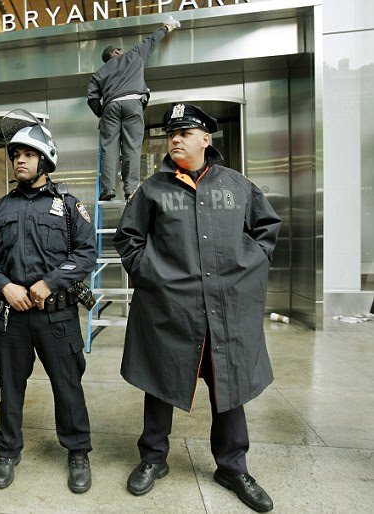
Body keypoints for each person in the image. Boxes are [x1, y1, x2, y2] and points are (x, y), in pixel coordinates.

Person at [113, 103, 281, 512]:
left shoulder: (238, 186)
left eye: (185, 133)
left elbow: (266, 230)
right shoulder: (153, 189)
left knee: (230, 389)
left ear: (207, 139)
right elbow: (128, 240)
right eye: (171, 134)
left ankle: (232, 466)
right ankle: (153, 459)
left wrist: (247, 271)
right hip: (171, 312)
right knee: (159, 384)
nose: (175, 139)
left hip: (226, 313)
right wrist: (154, 275)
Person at [0, 110, 96, 493]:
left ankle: (77, 451)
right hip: (13, 318)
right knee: (11, 389)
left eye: (27, 154)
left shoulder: (68, 205)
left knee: (67, 386)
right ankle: (8, 450)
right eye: (15, 155)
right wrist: (4, 286)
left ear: (45, 158)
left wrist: (51, 282)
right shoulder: (1, 209)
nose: (19, 161)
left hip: (57, 317)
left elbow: (87, 252)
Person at [87, 16, 180, 201]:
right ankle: (131, 190)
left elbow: (92, 98)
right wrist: (167, 27)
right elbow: (151, 40)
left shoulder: (99, 73)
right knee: (131, 148)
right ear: (116, 52)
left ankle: (108, 189)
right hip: (132, 103)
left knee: (109, 149)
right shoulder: (133, 55)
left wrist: (101, 113)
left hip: (110, 107)